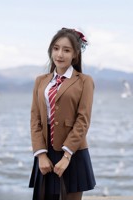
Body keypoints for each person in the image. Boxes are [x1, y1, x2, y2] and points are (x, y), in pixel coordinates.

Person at [29, 28, 96, 200]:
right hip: (46, 153)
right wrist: (41, 154)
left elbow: (83, 120)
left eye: (66, 50)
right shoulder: (40, 81)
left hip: (73, 152)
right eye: (56, 48)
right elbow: (35, 119)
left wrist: (67, 156)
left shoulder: (84, 81)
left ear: (75, 54)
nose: (60, 54)